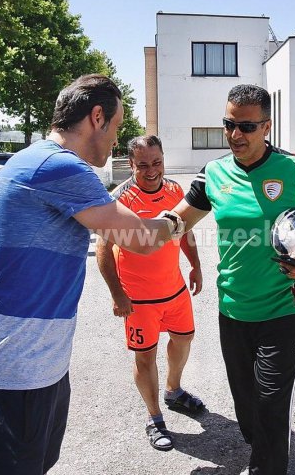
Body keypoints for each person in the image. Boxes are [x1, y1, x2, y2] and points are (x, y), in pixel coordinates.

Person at [0, 74, 185, 474]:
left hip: (35, 368)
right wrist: (182, 218)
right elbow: (141, 238)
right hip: (13, 373)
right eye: (116, 127)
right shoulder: (56, 166)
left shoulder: (41, 162)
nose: (116, 139)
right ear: (97, 117)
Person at [171, 84, 295, 475]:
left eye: (246, 127)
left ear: (266, 126)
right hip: (233, 308)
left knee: (270, 403)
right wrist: (137, 228)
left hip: (284, 307)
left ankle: (267, 465)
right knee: (246, 404)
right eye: (229, 125)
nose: (235, 135)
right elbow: (179, 220)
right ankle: (261, 445)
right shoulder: (213, 173)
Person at [95, 135, 204, 452]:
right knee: (145, 358)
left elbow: (184, 231)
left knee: (184, 340)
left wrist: (195, 266)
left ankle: (174, 390)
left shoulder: (174, 191)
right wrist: (118, 295)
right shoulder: (120, 199)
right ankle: (154, 418)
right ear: (130, 164)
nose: (152, 170)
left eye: (157, 162)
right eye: (143, 165)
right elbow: (104, 250)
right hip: (139, 299)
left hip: (174, 289)